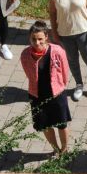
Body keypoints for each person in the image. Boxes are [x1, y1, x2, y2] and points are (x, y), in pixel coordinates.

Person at [20, 20, 71, 154]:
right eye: (33, 39)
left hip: (56, 94)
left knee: (62, 124)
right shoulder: (25, 55)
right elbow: (28, 73)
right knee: (45, 126)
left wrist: (60, 86)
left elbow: (65, 72)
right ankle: (55, 149)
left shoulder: (58, 51)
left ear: (46, 37)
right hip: (37, 95)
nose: (37, 43)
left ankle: (64, 150)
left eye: (40, 39)